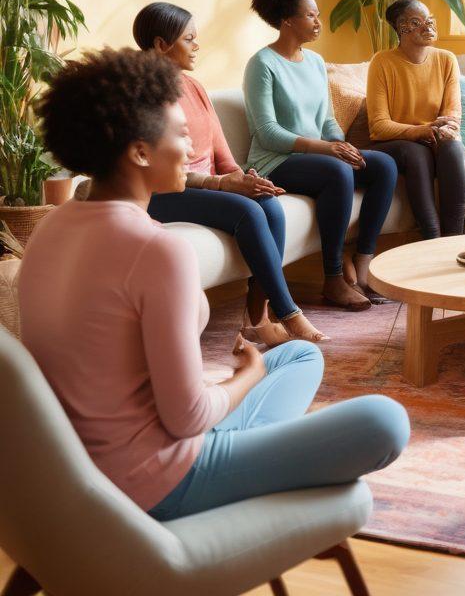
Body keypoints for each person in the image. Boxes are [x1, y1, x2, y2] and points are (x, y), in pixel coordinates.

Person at [18, 48, 409, 521]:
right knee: (383, 421)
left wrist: (224, 383)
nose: (188, 149)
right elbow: (188, 418)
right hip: (159, 479)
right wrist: (247, 375)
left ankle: (252, 453)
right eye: (181, 135)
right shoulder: (157, 250)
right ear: (140, 152)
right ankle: (249, 464)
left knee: (300, 354)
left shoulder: (47, 230)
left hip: (78, 471)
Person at [133, 2, 327, 345]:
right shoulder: (142, 94)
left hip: (207, 186)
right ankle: (289, 313)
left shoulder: (193, 86)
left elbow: (220, 150)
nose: (197, 45)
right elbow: (161, 170)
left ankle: (258, 315)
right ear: (162, 45)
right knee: (247, 210)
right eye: (189, 39)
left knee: (266, 201)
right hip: (163, 192)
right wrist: (224, 184)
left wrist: (245, 178)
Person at [243, 0, 397, 310]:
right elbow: (268, 132)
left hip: (317, 157)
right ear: (287, 21)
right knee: (336, 171)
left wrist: (343, 145)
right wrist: (329, 150)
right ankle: (332, 278)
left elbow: (326, 119)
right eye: (310, 15)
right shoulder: (262, 64)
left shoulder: (314, 62)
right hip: (274, 162)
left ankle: (363, 262)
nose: (318, 22)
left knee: (383, 165)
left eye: (318, 14)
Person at [366, 0, 465, 240]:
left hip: (437, 137)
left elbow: (453, 114)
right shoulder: (382, 62)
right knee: (416, 153)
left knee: (452, 148)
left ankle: (454, 240)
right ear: (401, 28)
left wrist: (444, 127)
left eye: (429, 20)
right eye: (417, 22)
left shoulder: (446, 59)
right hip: (399, 143)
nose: (428, 27)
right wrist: (419, 131)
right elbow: (378, 126)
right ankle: (431, 240)